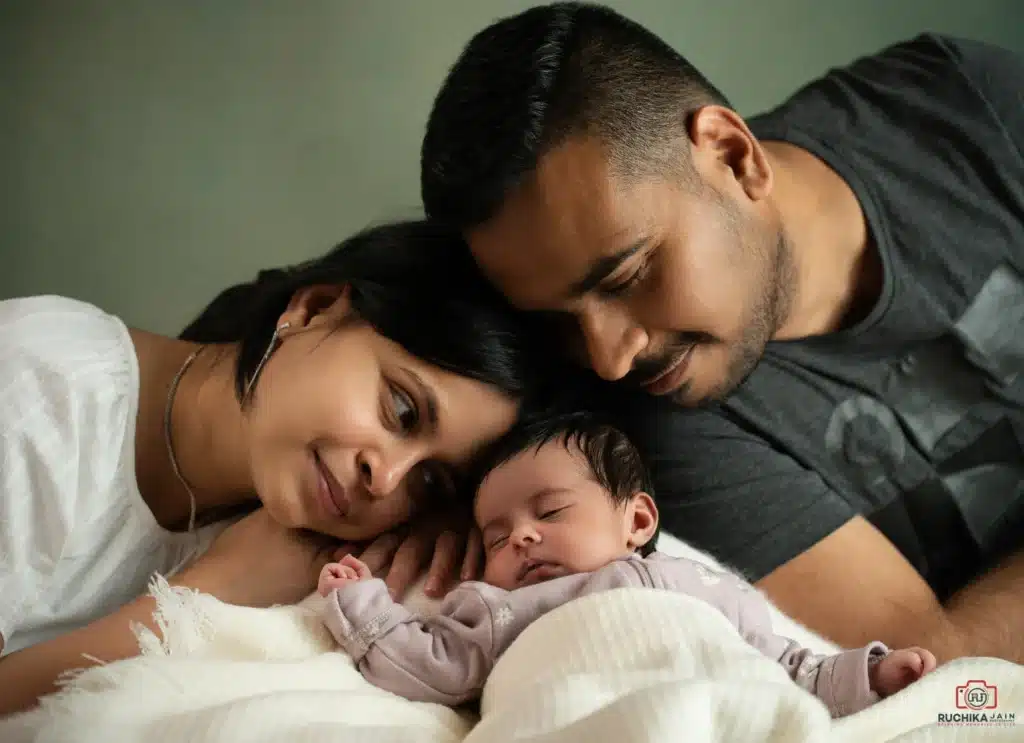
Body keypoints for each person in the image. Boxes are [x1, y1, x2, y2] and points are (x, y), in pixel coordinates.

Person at [417, 1, 1024, 664]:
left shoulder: (963, 110)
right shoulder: (660, 427)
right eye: (557, 320)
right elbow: (947, 665)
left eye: (625, 277)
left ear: (734, 158)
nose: (610, 358)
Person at [0, 219, 547, 716]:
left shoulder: (291, 539)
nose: (386, 480)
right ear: (313, 309)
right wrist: (207, 594)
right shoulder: (42, 388)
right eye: (402, 410)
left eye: (429, 481)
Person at [318, 413, 937, 714]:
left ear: (638, 521)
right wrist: (362, 603)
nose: (522, 540)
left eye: (551, 512)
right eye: (497, 539)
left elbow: (794, 667)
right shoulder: (501, 609)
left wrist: (872, 676)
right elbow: (433, 667)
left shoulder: (705, 589)